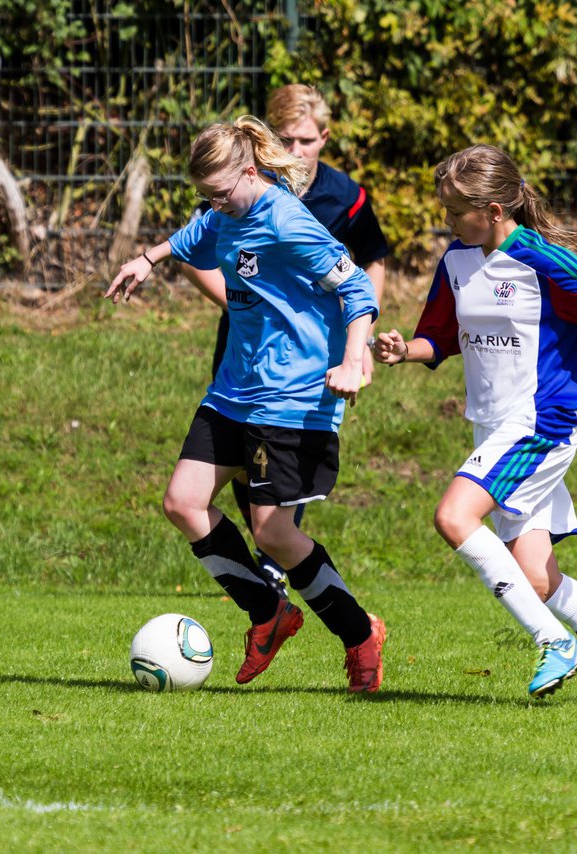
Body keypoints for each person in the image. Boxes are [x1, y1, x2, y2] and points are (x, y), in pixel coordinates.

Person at [372, 144, 577, 706]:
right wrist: (404, 351)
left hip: (539, 425)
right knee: (536, 579)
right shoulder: (456, 261)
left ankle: (554, 643)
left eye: (454, 211)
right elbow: (439, 337)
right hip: (492, 427)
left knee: (453, 515)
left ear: (494, 209)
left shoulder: (543, 261)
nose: (446, 220)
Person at [106, 115, 387, 693]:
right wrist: (148, 259)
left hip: (292, 396)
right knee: (183, 503)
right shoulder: (224, 214)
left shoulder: (286, 220)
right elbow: (194, 236)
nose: (211, 206)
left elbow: (356, 286)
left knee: (273, 534)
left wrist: (354, 359)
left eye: (218, 193)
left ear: (250, 173)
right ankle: (270, 612)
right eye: (203, 196)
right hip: (233, 391)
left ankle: (360, 634)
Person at [179, 85, 392, 595]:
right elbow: (193, 247)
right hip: (242, 352)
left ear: (325, 137)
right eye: (287, 139)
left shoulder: (341, 198)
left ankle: (280, 574)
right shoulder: (232, 195)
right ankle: (271, 573)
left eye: (306, 139)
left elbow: (366, 268)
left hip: (305, 366)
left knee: (272, 503)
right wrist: (235, 300)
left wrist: (355, 348)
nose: (296, 150)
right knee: (229, 480)